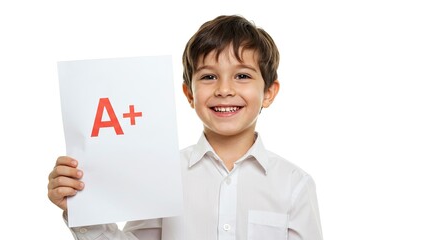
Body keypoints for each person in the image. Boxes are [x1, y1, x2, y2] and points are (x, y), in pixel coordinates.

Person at [48, 14, 323, 240]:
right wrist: (81, 210)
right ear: (189, 94)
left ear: (269, 92)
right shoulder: (162, 175)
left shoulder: (294, 185)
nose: (224, 89)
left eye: (242, 75)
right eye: (208, 76)